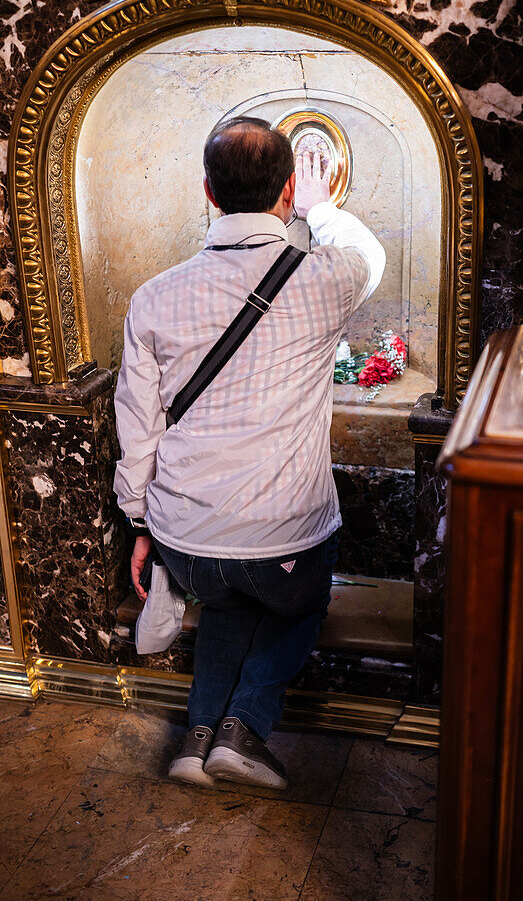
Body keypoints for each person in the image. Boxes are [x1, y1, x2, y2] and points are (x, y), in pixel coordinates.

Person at [113, 115, 385, 789]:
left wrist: (142, 526)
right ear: (289, 191)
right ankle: (246, 728)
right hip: (283, 542)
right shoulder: (325, 280)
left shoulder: (152, 299)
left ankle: (196, 740)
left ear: (208, 191)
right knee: (300, 601)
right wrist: (323, 211)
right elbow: (368, 257)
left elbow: (137, 429)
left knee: (229, 603)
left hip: (187, 539)